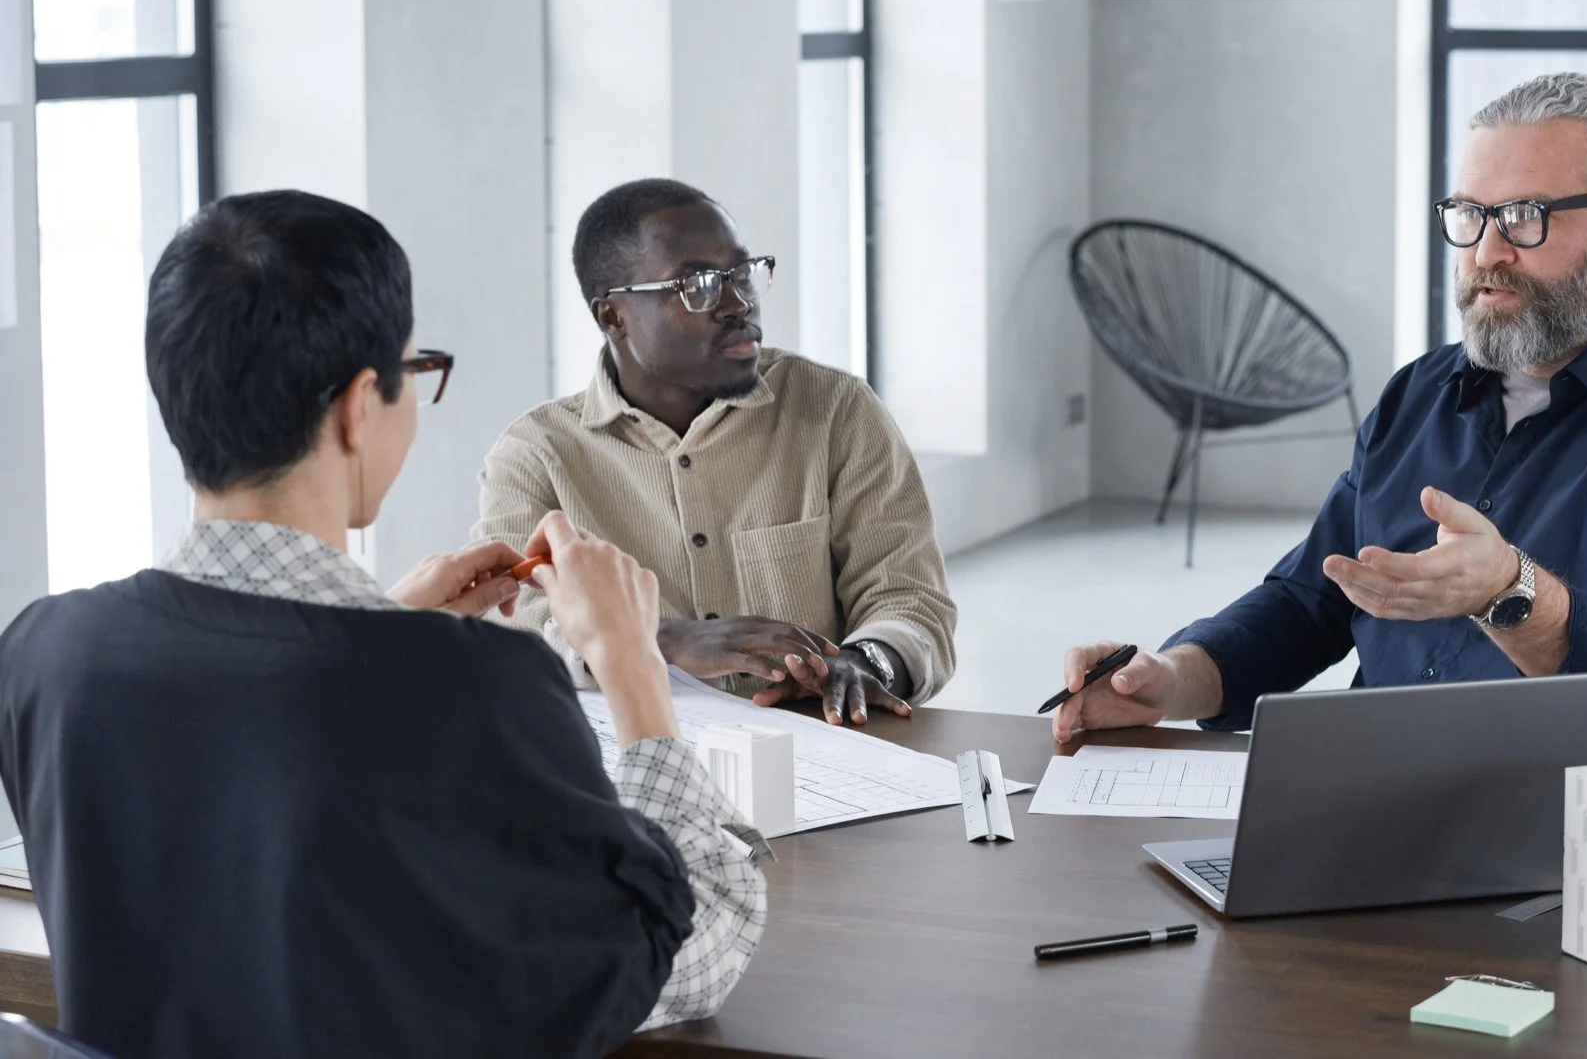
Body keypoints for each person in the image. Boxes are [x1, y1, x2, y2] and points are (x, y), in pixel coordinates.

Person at [0, 191, 764, 1059]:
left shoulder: (43, 653)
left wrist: (383, 624)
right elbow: (690, 949)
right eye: (415, 372)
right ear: (360, 406)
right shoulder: (478, 685)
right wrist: (633, 669)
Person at [1053, 72, 1587, 761]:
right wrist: (1168, 680)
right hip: (1367, 808)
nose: (1487, 252)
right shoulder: (1421, 394)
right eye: (1472, 215)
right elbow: (1312, 599)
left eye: (1525, 217)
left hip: (1565, 842)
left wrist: (1515, 592)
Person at [474, 179, 956, 727]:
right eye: (698, 284)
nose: (739, 302)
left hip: (820, 757)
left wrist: (868, 660)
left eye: (743, 273)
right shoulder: (535, 455)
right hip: (630, 767)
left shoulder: (836, 410)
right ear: (612, 317)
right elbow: (508, 634)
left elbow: (909, 597)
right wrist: (651, 639)